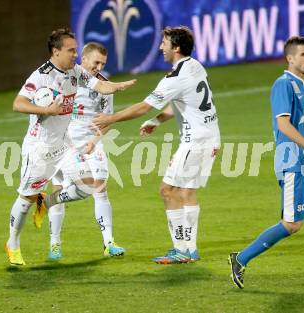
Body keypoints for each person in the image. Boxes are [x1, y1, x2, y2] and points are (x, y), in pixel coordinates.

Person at [228, 36, 304, 288]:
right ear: (290, 58)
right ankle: (240, 259)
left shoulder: (302, 84)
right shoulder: (283, 84)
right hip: (293, 163)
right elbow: (283, 125)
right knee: (292, 224)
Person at [5, 28, 135, 266]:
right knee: (26, 198)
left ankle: (48, 201)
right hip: (40, 146)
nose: (75, 54)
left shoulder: (76, 72)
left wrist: (118, 86)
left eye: (76, 50)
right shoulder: (40, 76)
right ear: (56, 51)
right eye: (71, 50)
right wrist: (47, 110)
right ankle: (13, 243)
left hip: (65, 145)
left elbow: (100, 86)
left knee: (87, 187)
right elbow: (18, 103)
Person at [92, 26, 220, 264]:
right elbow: (187, 104)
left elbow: (143, 107)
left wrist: (110, 119)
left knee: (167, 190)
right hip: (211, 138)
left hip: (196, 141)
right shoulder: (195, 66)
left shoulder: (174, 78)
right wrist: (158, 120)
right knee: (187, 192)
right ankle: (189, 250)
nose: (161, 47)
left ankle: (181, 249)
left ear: (176, 48)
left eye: (164, 43)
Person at [46, 42, 125, 261]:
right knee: (60, 188)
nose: (99, 67)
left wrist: (94, 140)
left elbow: (107, 120)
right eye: (96, 62)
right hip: (65, 143)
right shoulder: (65, 79)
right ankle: (54, 244)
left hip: (92, 143)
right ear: (84, 58)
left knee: (100, 188)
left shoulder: (105, 86)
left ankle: (109, 242)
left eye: (103, 63)